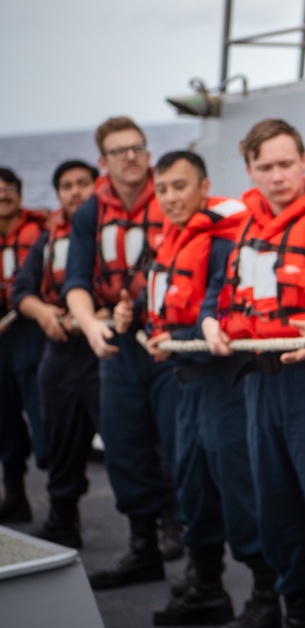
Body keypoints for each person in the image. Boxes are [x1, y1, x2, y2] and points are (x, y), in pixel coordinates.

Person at [108, 150, 281, 628]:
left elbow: (225, 316)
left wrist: (175, 335)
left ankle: (267, 597)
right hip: (185, 385)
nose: (172, 198)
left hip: (225, 386)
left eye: (181, 187)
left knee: (241, 492)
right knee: (192, 488)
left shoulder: (226, 245)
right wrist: (133, 317)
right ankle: (206, 586)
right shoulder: (170, 242)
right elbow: (154, 303)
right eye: (163, 190)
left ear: (204, 187)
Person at [201, 118, 305, 628]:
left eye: (288, 164)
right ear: (249, 171)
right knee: (276, 509)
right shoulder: (244, 225)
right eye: (266, 167)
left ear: (304, 160)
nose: (279, 176)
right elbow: (221, 289)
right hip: (260, 383)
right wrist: (211, 322)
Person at [64, 116, 183, 590]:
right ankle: (142, 547)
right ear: (103, 162)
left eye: (137, 147)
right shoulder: (90, 215)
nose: (131, 157)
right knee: (125, 442)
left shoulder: (173, 196)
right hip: (118, 344)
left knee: (181, 444)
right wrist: (91, 324)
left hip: (172, 339)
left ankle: (191, 543)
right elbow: (75, 282)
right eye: (120, 151)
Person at [13, 160, 100, 546]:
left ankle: (154, 531)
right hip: (60, 350)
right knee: (59, 438)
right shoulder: (47, 242)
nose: (75, 191)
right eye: (67, 186)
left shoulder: (114, 233)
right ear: (58, 194)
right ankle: (63, 520)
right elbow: (23, 291)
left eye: (83, 183)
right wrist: (43, 312)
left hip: (104, 349)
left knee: (133, 440)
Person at [0, 166, 49, 523]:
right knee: (3, 416)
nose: (3, 194)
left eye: (9, 188)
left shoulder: (42, 231)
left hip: (31, 329)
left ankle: (63, 505)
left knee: (43, 408)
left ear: (20, 192)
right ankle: (15, 496)